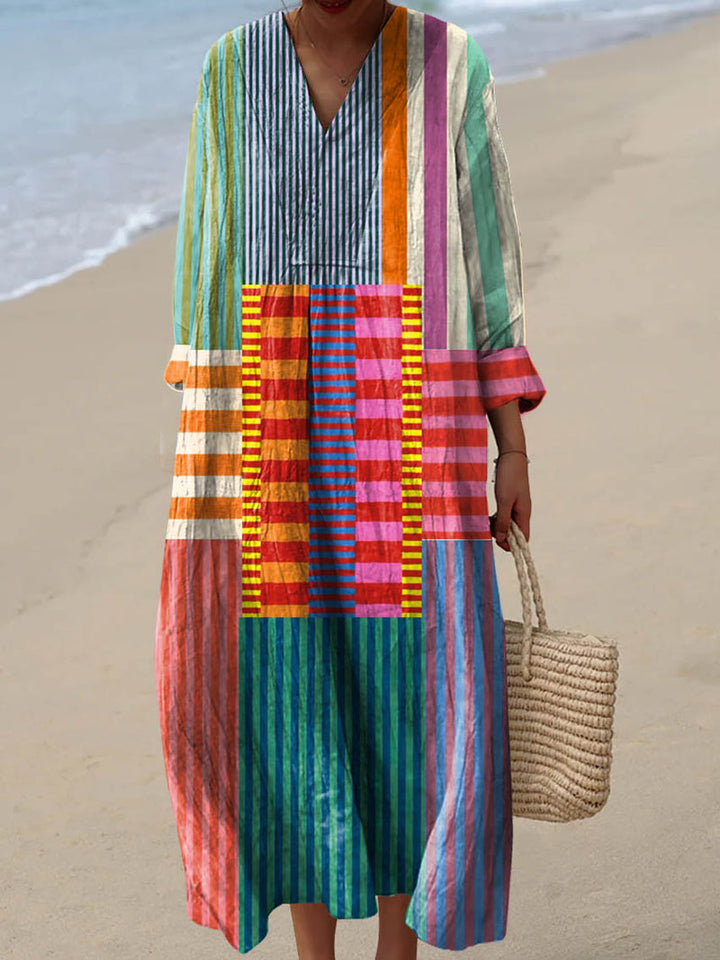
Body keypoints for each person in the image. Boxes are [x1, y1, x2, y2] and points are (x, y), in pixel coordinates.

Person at [154, 2, 547, 958]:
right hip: (274, 434)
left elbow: (489, 265)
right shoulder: (233, 70)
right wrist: (207, 455)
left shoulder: (450, 64)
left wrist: (514, 446)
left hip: (422, 432)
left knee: (419, 699)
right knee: (289, 696)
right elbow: (205, 269)